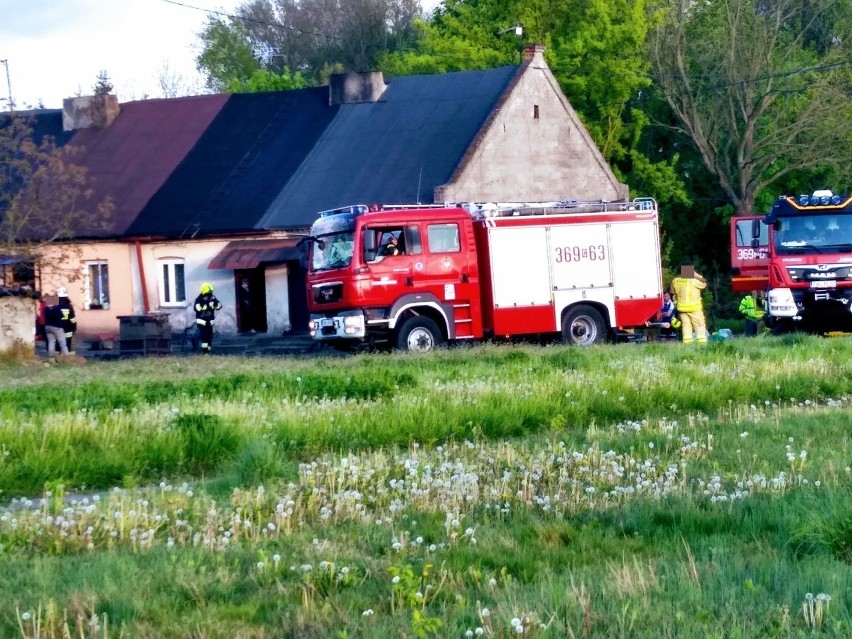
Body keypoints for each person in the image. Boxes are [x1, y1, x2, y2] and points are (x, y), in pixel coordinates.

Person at [670, 264, 708, 344]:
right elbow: (704, 283)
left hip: (681, 308)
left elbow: (672, 292)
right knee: (699, 326)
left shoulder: (675, 280)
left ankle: (687, 345)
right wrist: (696, 275)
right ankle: (702, 345)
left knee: (686, 326)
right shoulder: (693, 280)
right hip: (694, 308)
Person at [194, 282, 223, 354]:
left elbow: (219, 307)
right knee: (204, 336)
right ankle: (205, 352)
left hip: (210, 322)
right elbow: (197, 308)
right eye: (207, 294)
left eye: (209, 294)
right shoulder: (199, 299)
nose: (208, 296)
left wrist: (215, 302)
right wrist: (206, 304)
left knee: (210, 336)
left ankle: (209, 351)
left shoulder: (212, 298)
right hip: (202, 321)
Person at [56, 286, 77, 354]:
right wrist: (74, 327)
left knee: (57, 343)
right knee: (68, 343)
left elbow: (45, 308)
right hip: (68, 328)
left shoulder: (53, 303)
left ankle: (57, 357)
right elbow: (72, 318)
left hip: (56, 327)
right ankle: (67, 357)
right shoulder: (69, 305)